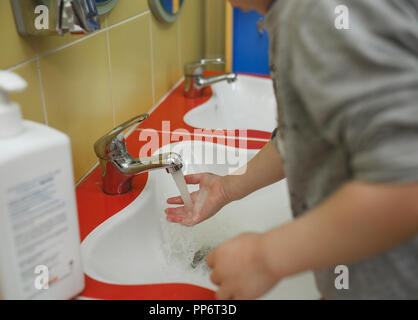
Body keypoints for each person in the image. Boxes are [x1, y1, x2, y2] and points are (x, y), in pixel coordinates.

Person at [165, 0, 418, 299]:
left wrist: (266, 257)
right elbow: (302, 135)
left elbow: (405, 182)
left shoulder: (315, 13)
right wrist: (227, 188)